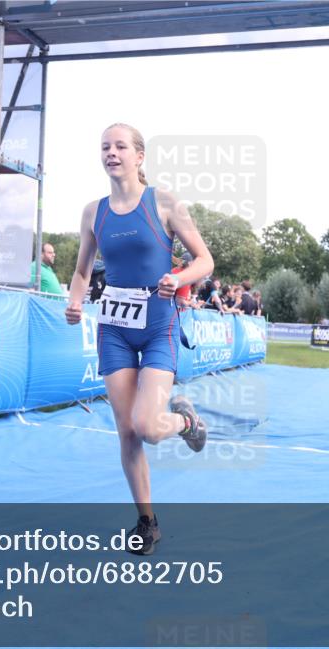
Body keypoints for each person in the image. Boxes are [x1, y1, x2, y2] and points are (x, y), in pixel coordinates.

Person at [64, 123, 215, 556]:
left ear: (139, 156)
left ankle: (186, 422)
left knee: (148, 426)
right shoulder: (93, 212)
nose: (111, 153)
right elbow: (82, 270)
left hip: (158, 326)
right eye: (105, 147)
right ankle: (147, 522)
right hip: (113, 328)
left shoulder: (164, 203)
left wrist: (178, 278)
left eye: (120, 146)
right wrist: (75, 301)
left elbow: (204, 260)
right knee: (127, 432)